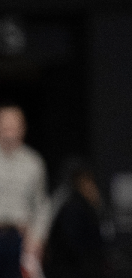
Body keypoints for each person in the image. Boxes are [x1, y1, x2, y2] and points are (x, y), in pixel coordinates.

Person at [0, 102, 51, 278]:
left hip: (21, 239)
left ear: (23, 128)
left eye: (13, 126)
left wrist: (38, 238)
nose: (9, 132)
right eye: (5, 126)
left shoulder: (34, 163)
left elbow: (42, 205)